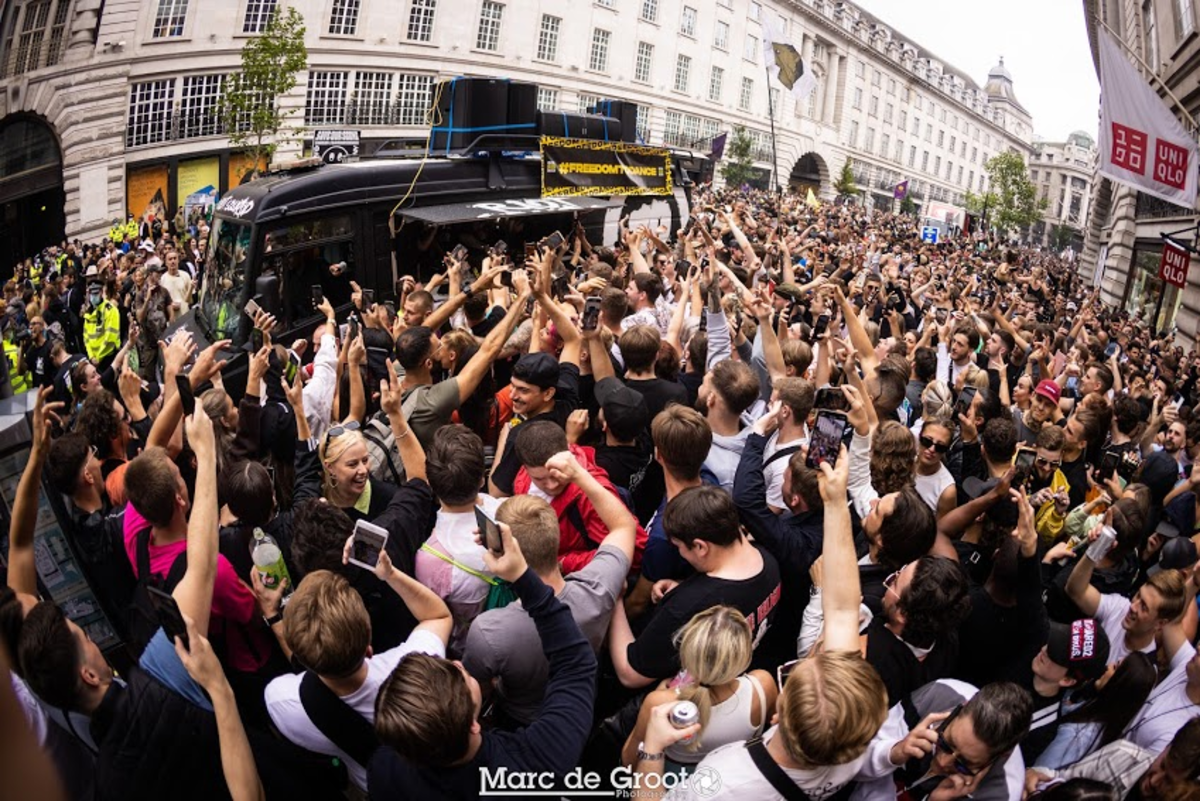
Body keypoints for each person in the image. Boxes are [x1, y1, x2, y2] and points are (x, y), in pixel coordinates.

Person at [632, 444, 890, 800]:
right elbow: (844, 607)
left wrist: (652, 751)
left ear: (778, 715)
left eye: (793, 673)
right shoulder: (848, 728)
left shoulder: (726, 781)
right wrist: (834, 502)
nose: (816, 654)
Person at [367, 518, 599, 797]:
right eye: (460, 675)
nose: (456, 662)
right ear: (474, 725)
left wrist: (390, 574)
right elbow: (576, 664)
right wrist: (524, 578)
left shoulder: (384, 770)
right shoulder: (537, 766)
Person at [463, 448, 638, 728]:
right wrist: (580, 474)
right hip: (584, 708)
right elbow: (624, 526)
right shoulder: (598, 588)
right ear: (555, 538)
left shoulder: (489, 631)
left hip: (520, 720)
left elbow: (478, 688)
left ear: (503, 551)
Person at [264, 559, 452, 793]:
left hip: (376, 785)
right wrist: (390, 574)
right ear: (369, 648)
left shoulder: (281, 701)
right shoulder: (417, 665)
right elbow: (438, 617)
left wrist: (273, 618)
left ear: (305, 662)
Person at [608, 485, 781, 688]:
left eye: (679, 547)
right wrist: (681, 586)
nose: (680, 553)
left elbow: (631, 674)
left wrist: (616, 599)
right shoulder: (768, 561)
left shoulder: (687, 608)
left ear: (700, 546)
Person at [620, 605, 778, 769]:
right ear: (745, 656)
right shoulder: (762, 685)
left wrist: (662, 693)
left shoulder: (660, 703)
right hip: (734, 773)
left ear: (686, 653)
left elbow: (629, 760)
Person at [853, 680, 1033, 801]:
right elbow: (851, 761)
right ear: (960, 708)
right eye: (945, 744)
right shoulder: (939, 694)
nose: (942, 761)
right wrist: (893, 753)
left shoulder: (1000, 794)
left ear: (1001, 756)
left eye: (964, 764)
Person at [510, 418, 646, 575]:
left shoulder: (589, 496)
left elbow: (633, 552)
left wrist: (564, 564)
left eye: (555, 475)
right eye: (540, 479)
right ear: (525, 468)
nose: (551, 485)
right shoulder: (524, 475)